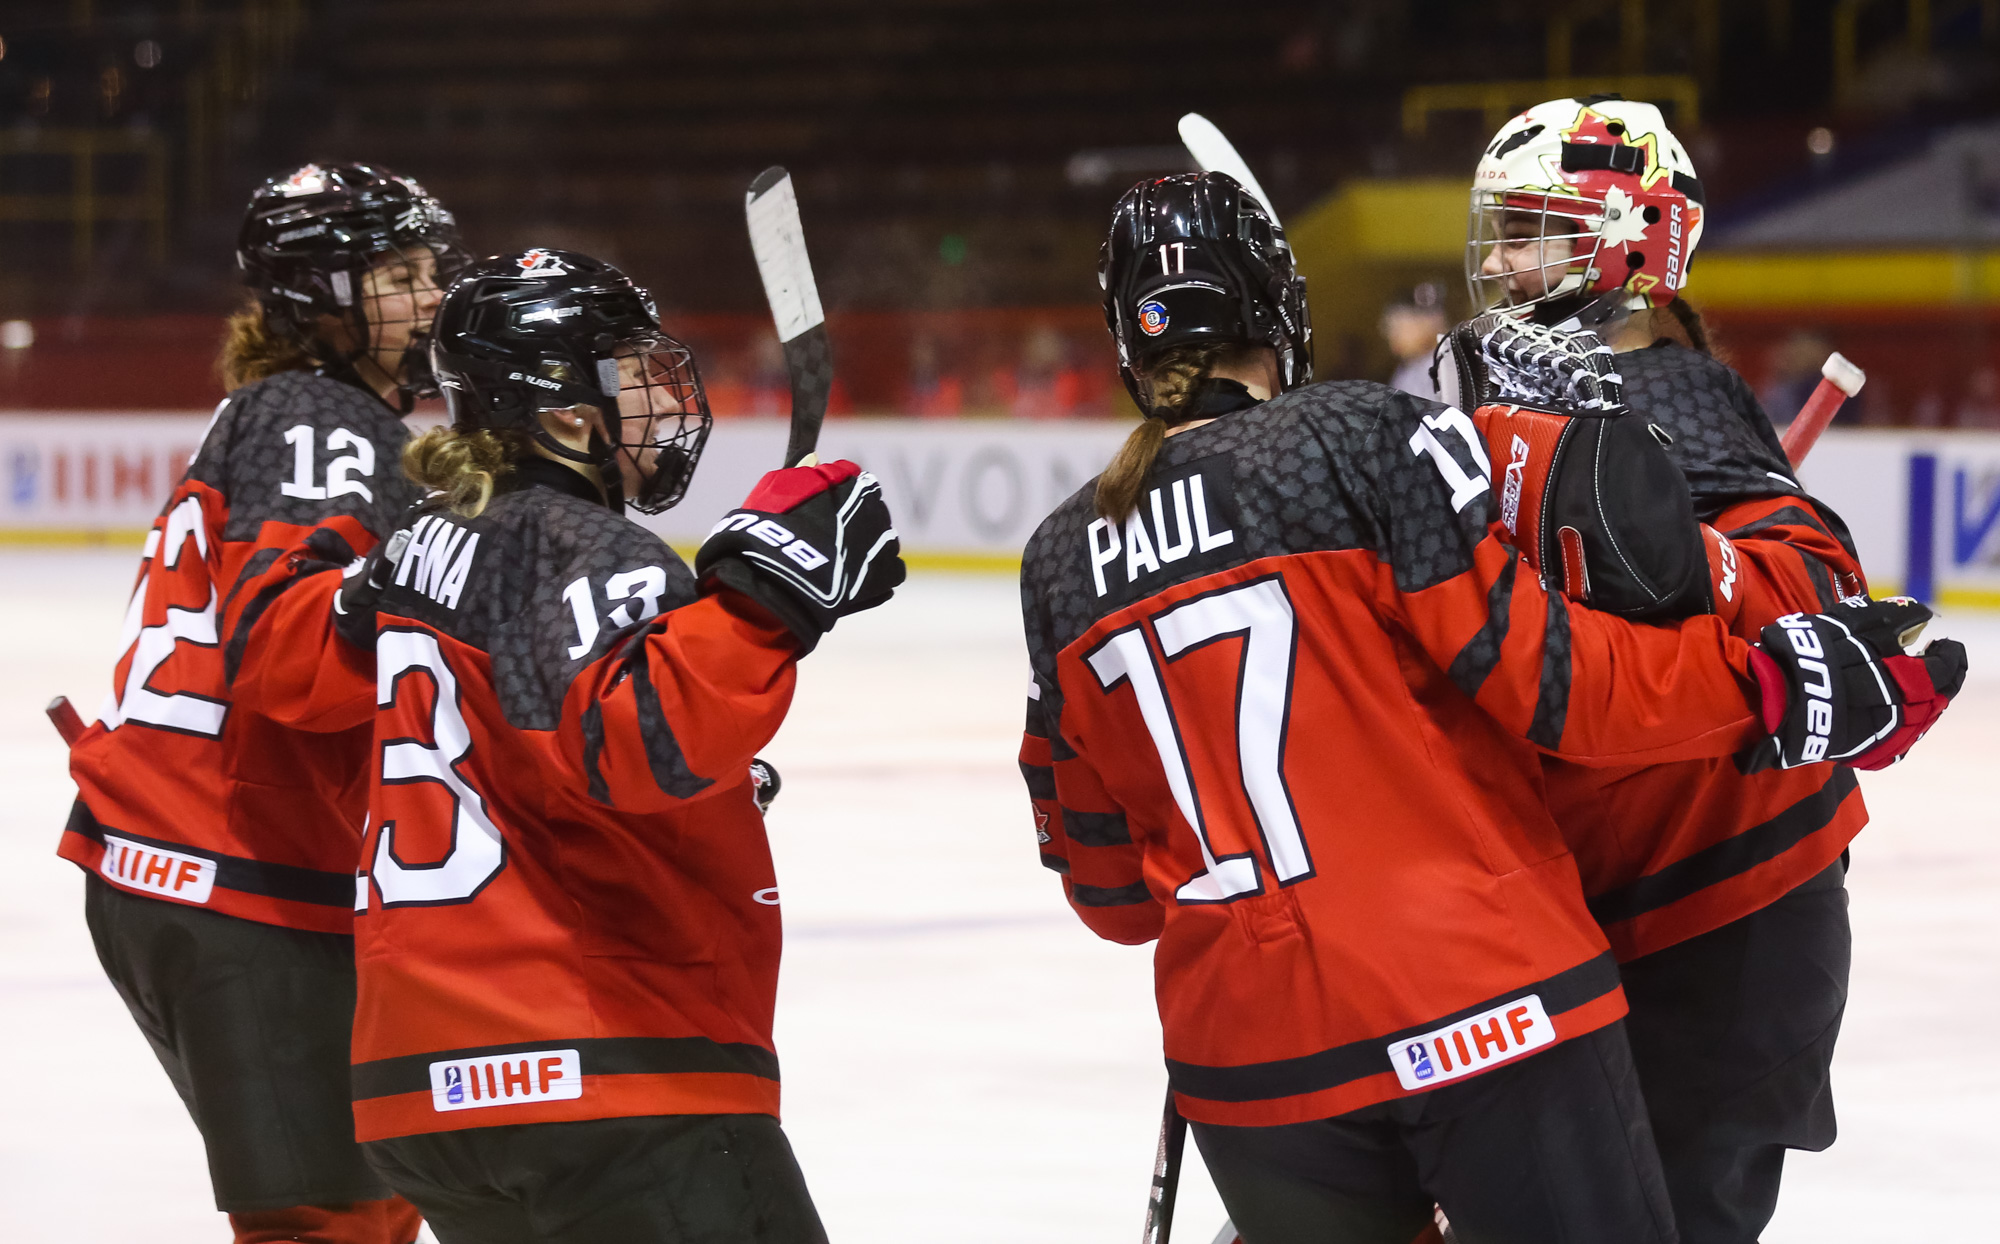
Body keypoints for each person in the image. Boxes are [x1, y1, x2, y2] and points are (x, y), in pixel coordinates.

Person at [1019, 172, 1963, 1243]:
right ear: (1279, 306)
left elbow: (1109, 892)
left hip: (1250, 1070)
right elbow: (1561, 686)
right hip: (1484, 1006)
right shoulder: (1357, 438)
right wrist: (1767, 686)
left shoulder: (1055, 561)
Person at [228, 249, 904, 1243]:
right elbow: (641, 733)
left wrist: (713, 791)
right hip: (601, 1072)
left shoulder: (424, 540)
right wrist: (770, 598)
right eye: (631, 373)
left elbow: (516, 747)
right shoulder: (578, 542)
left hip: (420, 1094)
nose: (657, 398)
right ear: (564, 409)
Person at [1460, 94, 1899, 1242]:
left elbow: (1811, 584)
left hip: (1728, 924)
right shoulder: (1551, 392)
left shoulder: (1659, 390)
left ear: (1621, 236)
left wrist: (1688, 562)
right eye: (1498, 226)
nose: (1499, 258)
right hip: (1632, 911)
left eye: (1529, 226)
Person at [58, 161, 462, 1244]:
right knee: (329, 1220)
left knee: (375, 1197)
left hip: (216, 861)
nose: (432, 297)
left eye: (430, 270)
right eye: (399, 274)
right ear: (321, 294)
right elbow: (291, 661)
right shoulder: (312, 418)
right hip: (230, 870)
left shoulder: (312, 416)